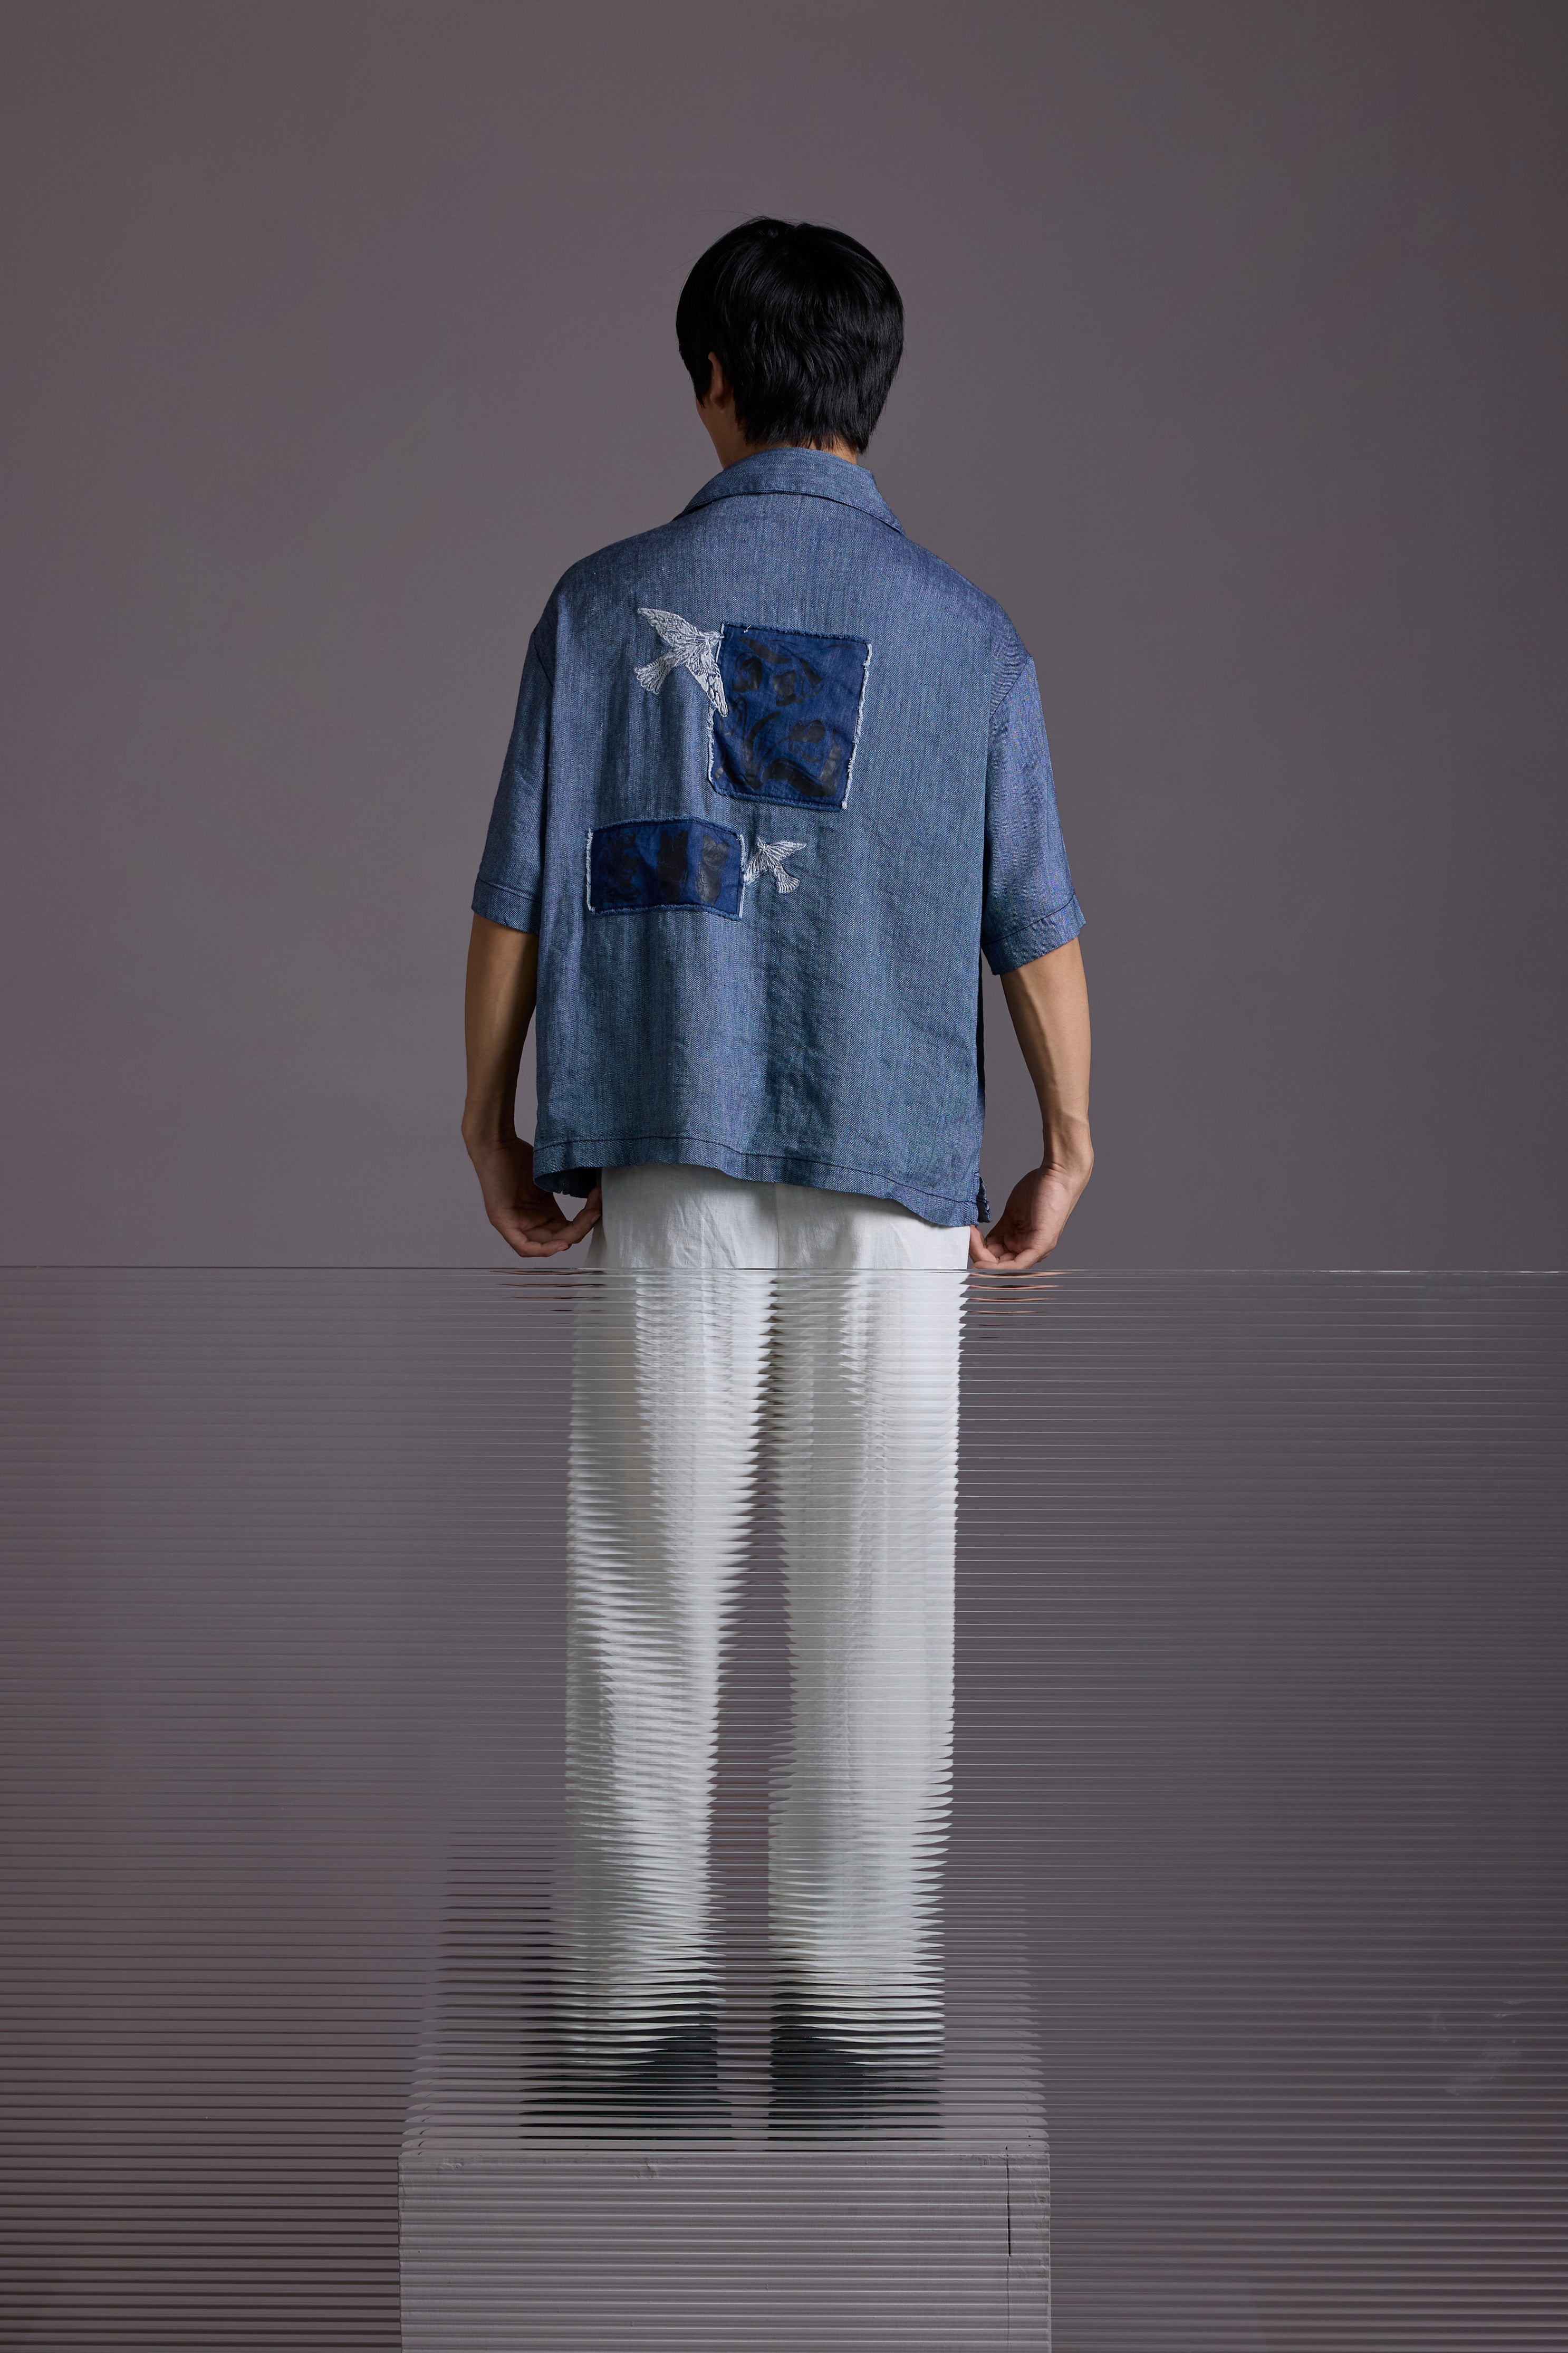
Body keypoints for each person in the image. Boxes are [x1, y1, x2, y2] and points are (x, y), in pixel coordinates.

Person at [461, 216, 1092, 1274]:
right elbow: (1032, 921)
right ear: (872, 385)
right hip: (893, 1169)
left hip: (665, 1142)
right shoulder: (971, 638)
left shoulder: (594, 609)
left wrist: (487, 1128)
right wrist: (1066, 1150)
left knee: (659, 1404)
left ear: (713, 376)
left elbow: (516, 897)